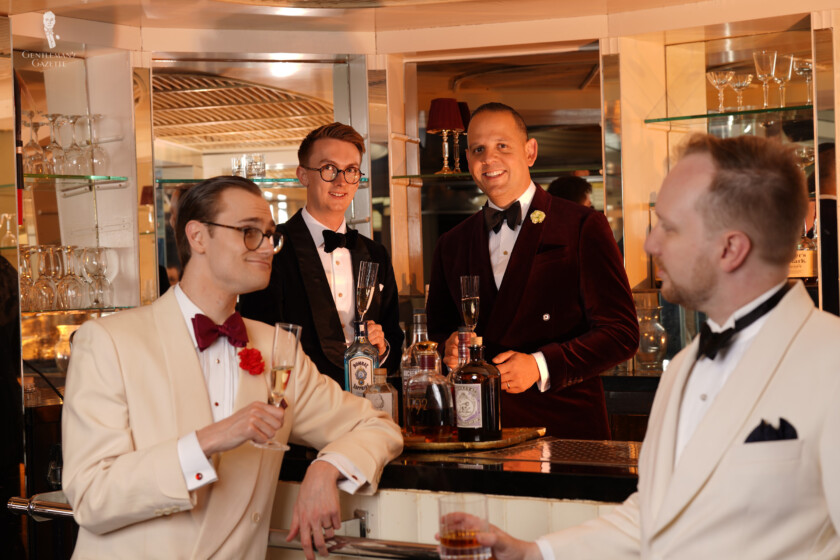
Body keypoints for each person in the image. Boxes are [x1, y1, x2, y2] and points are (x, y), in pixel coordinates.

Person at [478, 134, 840, 559]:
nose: (651, 245)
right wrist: (534, 553)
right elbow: (652, 517)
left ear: (731, 248)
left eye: (668, 227)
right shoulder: (685, 364)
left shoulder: (829, 362)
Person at [62, 176, 403, 560]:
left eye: (270, 235)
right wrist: (210, 439)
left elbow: (375, 425)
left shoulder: (277, 348)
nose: (267, 248)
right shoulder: (108, 341)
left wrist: (326, 468)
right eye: (248, 232)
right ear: (198, 237)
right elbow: (91, 497)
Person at [425, 102, 638, 439]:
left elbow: (621, 333)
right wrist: (446, 346)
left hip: (565, 427)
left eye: (502, 146)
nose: (489, 158)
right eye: (478, 149)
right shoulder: (451, 243)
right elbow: (435, 333)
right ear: (468, 160)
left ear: (530, 152)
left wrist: (540, 366)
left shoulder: (582, 226)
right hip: (478, 429)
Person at [240, 122, 404, 387]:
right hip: (300, 406)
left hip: (367, 406)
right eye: (329, 168)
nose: (341, 181)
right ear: (303, 175)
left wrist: (382, 347)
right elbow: (256, 337)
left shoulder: (376, 254)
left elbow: (394, 341)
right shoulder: (270, 248)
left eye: (350, 170)